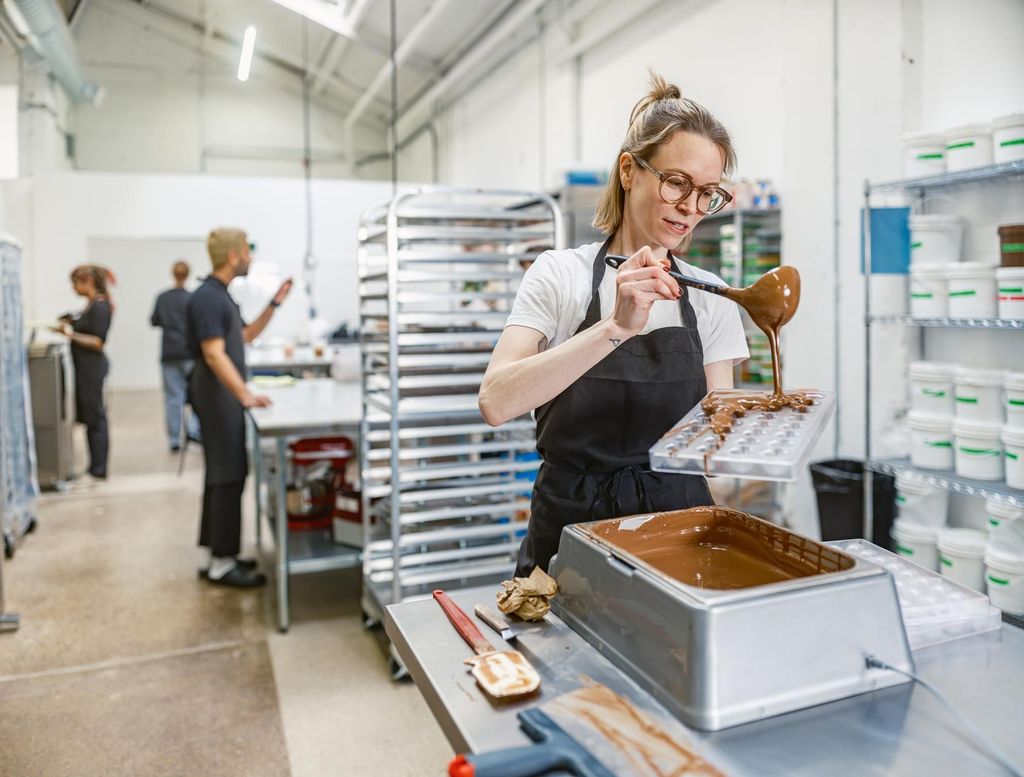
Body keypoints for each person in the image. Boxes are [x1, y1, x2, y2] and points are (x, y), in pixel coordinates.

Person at [479, 73, 750, 575]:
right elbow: (496, 401)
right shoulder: (562, 275)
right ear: (629, 170)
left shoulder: (712, 297)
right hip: (571, 539)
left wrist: (761, 426)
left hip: (678, 534)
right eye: (677, 183)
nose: (691, 208)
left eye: (707, 193)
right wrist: (613, 328)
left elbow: (716, 438)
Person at [187, 228, 292, 588]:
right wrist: (244, 394)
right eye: (246, 250)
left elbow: (245, 337)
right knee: (229, 474)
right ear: (233, 255)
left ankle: (214, 552)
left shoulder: (221, 297)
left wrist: (275, 304)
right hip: (217, 397)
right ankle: (222, 563)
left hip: (221, 395)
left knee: (221, 475)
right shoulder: (208, 298)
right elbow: (214, 353)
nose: (249, 257)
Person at [54, 265, 115, 486]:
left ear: (87, 281)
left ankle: (99, 468)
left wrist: (70, 334)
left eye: (75, 283)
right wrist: (71, 321)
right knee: (90, 416)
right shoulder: (90, 306)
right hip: (84, 369)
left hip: (93, 369)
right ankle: (93, 466)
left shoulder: (100, 307)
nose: (73, 288)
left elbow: (97, 341)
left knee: (96, 417)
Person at [151, 260, 201, 451]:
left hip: (170, 352)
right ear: (187, 274)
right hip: (189, 352)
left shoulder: (163, 298)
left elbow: (154, 320)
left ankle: (174, 439)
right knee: (195, 395)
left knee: (173, 397)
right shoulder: (193, 298)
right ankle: (194, 432)